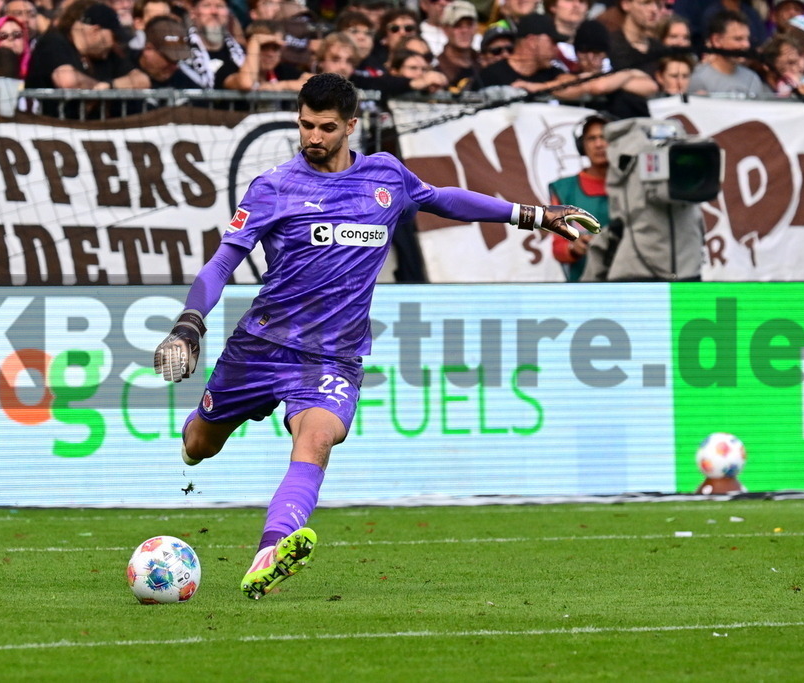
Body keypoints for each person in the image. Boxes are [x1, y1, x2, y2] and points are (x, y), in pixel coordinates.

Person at [152, 72, 599, 600]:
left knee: (316, 438)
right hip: (261, 348)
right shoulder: (274, 187)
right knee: (199, 445)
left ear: (351, 127)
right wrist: (189, 323)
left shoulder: (384, 177)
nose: (312, 137)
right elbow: (222, 263)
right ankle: (199, 430)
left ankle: (271, 550)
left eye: (325, 127)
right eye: (304, 125)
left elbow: (444, 199)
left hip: (332, 358)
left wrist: (532, 214)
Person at [25, 0, 149, 118]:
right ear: (96, 31)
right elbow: (68, 80)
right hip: (51, 129)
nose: (114, 43)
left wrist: (110, 86)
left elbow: (142, 80)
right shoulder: (54, 42)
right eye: (113, 36)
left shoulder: (107, 53)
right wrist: (99, 91)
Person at [548, 113, 610, 281]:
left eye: (604, 137)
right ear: (582, 146)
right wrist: (574, 248)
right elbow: (558, 249)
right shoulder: (564, 189)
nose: (599, 144)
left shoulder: (634, 185)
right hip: (586, 290)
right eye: (592, 138)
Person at [688, 9, 772, 96]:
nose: (746, 45)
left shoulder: (752, 78)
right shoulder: (698, 78)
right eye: (738, 39)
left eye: (747, 39)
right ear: (716, 40)